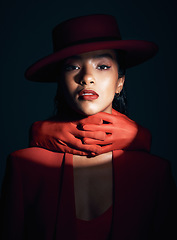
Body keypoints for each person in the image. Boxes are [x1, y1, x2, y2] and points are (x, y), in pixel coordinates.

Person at [1, 14, 176, 240]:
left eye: (102, 66)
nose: (87, 78)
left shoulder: (156, 173)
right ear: (60, 82)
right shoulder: (23, 165)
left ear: (120, 82)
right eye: (72, 66)